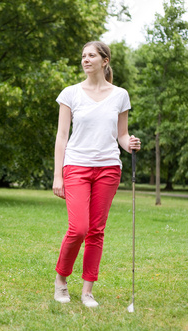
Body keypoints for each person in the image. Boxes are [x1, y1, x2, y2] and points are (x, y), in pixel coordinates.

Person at [52, 41, 141, 307]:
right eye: (83, 56)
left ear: (104, 61)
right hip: (76, 166)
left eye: (91, 55)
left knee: (96, 231)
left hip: (109, 168)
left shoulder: (120, 95)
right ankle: (61, 280)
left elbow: (121, 136)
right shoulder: (70, 93)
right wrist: (58, 175)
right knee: (78, 229)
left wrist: (130, 143)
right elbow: (61, 136)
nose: (85, 59)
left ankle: (87, 290)